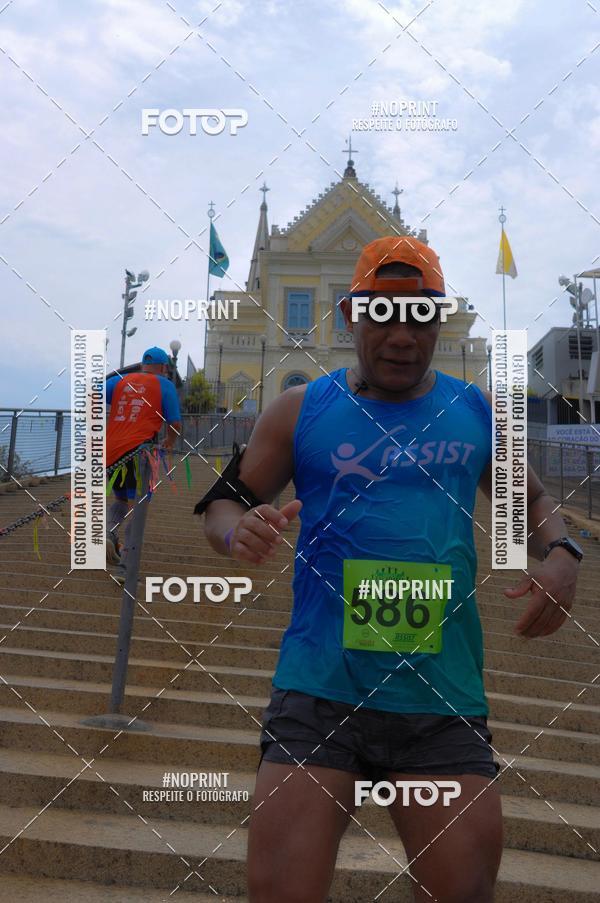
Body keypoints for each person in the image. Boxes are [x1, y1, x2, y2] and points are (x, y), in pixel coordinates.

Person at [199, 236, 582, 902]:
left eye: (420, 316)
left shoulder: (474, 411)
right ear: (350, 316)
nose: (402, 335)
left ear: (441, 320)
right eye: (383, 315)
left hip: (441, 703)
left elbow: (537, 504)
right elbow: (223, 502)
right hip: (319, 695)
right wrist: (237, 533)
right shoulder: (299, 409)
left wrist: (563, 554)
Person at [106, 346, 181, 582]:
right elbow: (175, 424)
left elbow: (89, 397)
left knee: (120, 498)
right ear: (162, 367)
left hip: (111, 451)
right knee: (139, 507)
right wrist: (169, 442)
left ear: (142, 365)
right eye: (167, 367)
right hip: (140, 453)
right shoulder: (164, 385)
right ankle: (126, 567)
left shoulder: (120, 381)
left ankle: (108, 533)